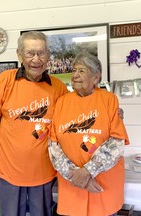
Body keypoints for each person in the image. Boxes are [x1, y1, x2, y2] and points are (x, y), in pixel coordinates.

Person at [0, 31, 68, 216]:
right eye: (30, 53)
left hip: (44, 174)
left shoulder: (59, 88)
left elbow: (72, 123)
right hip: (8, 173)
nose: (36, 59)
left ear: (48, 55)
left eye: (41, 53)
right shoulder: (5, 80)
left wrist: (111, 113)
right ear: (19, 55)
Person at [48, 52, 130, 216]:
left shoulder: (109, 100)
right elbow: (53, 146)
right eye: (74, 70)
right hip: (73, 186)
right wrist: (77, 178)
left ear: (96, 77)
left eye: (82, 71)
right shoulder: (62, 102)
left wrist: (87, 172)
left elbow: (116, 143)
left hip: (102, 186)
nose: (75, 76)